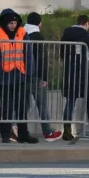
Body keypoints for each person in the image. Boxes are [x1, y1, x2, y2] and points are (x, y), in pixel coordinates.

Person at [0, 9, 38, 144]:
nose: (13, 25)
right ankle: (5, 134)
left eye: (15, 22)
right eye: (10, 23)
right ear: (5, 23)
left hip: (19, 75)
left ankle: (23, 135)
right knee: (6, 107)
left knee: (21, 107)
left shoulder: (23, 33)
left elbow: (28, 55)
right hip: (3, 77)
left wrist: (29, 73)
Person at [60, 15, 89, 140]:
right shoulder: (87, 37)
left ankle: (67, 131)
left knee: (70, 102)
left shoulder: (66, 34)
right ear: (87, 23)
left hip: (70, 72)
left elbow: (62, 53)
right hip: (84, 72)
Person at [23, 12, 61, 141]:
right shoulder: (38, 36)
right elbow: (42, 59)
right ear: (39, 23)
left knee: (24, 105)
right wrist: (44, 77)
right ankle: (48, 132)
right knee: (42, 105)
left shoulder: (21, 35)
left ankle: (15, 129)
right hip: (36, 76)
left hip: (21, 75)